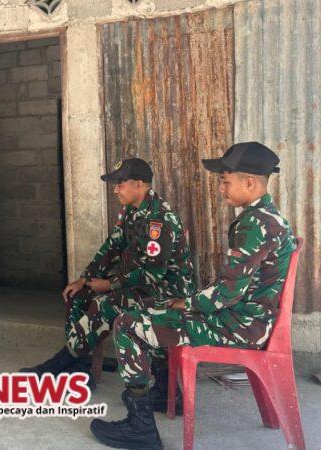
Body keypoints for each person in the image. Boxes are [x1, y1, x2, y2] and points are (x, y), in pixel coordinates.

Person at [90, 142, 296, 450]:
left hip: (239, 325)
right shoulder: (269, 217)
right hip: (246, 318)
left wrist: (187, 302)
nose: (221, 189)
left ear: (250, 182)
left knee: (128, 324)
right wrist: (183, 302)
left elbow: (227, 293)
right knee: (155, 307)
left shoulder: (256, 223)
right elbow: (231, 288)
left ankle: (140, 428)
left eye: (225, 181)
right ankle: (163, 392)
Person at [21, 158, 195, 401]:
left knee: (106, 305)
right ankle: (79, 370)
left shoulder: (159, 219)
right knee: (78, 297)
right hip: (140, 285)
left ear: (138, 185)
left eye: (120, 184)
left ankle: (55, 366)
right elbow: (112, 247)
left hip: (166, 292)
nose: (115, 190)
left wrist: (111, 284)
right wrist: (84, 279)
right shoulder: (132, 211)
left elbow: (154, 273)